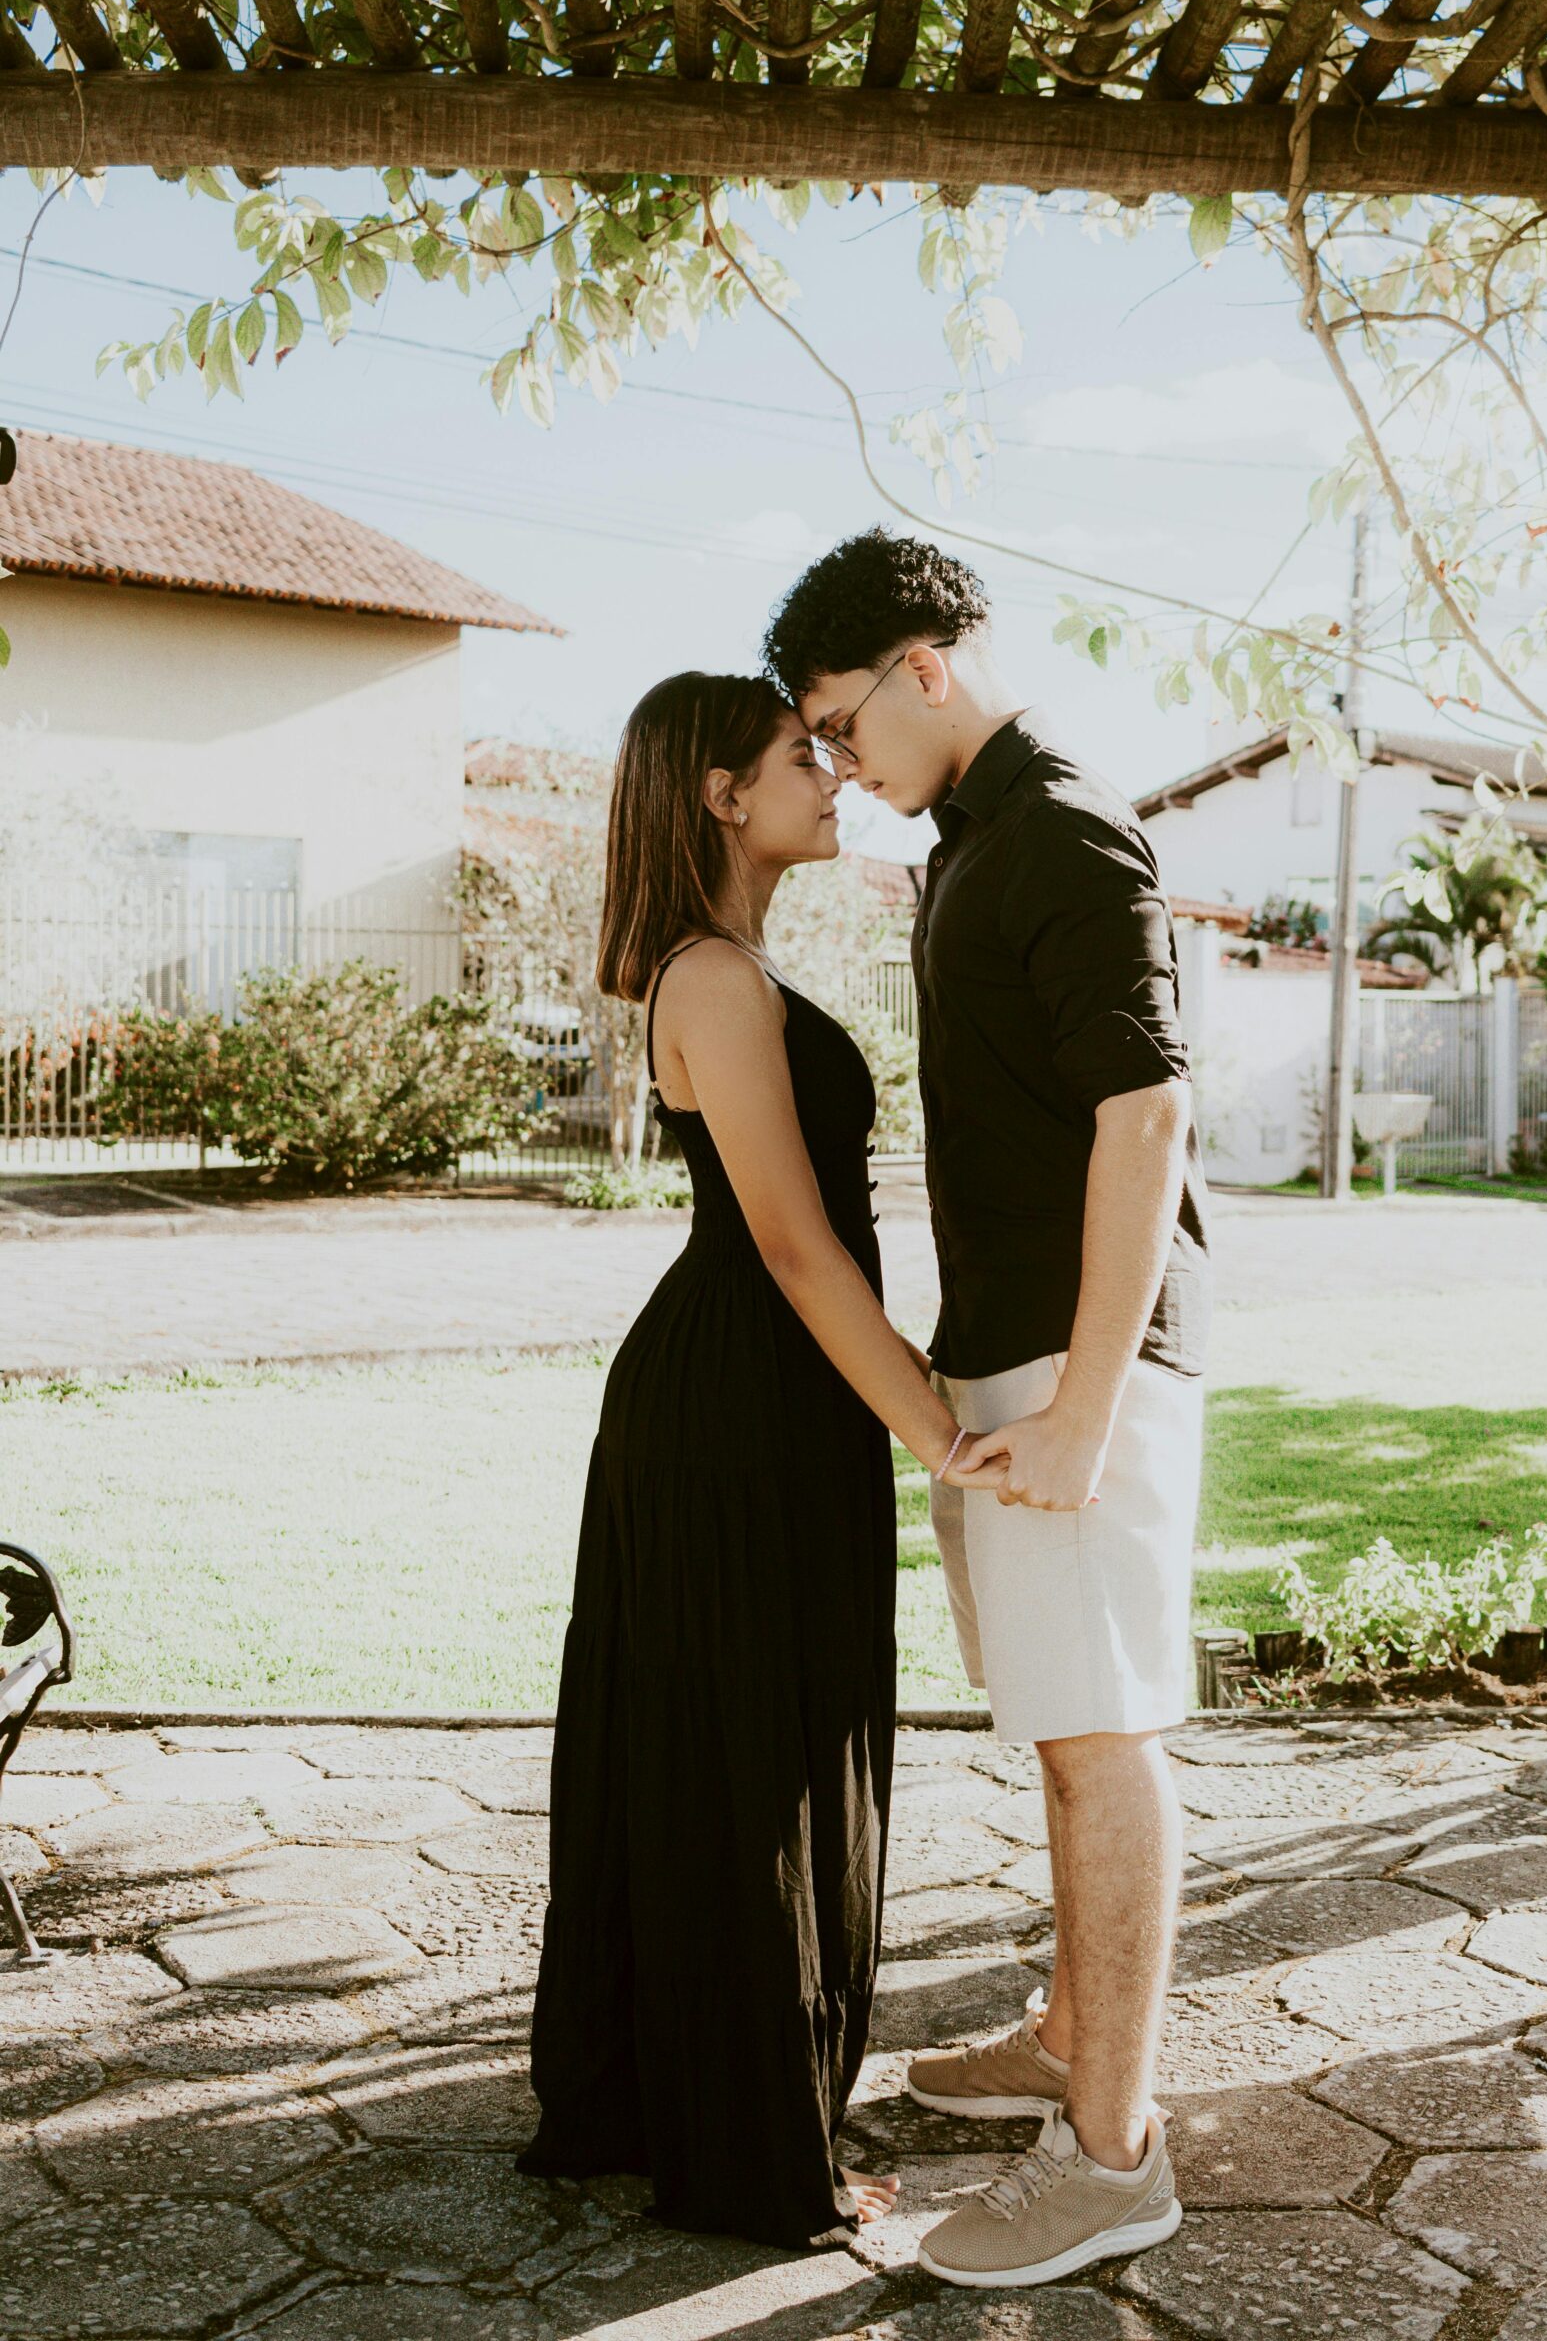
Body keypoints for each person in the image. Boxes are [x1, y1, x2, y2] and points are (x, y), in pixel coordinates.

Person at [763, 530, 1210, 2290]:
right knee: (1056, 1719)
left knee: (1104, 1744)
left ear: (924, 663)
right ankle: (1063, 2035)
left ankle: (1111, 2158)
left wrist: (1089, 1405)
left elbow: (1145, 1119)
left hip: (1083, 1369)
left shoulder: (1073, 830)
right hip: (1008, 1355)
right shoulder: (973, 841)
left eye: (839, 721)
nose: (838, 766)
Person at [518, 669, 1001, 2252]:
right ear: (722, 797)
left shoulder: (734, 964)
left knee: (748, 1740)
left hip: (771, 1394)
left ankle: (709, 2098)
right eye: (803, 754)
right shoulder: (713, 978)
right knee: (748, 1761)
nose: (834, 773)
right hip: (737, 1397)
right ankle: (745, 2145)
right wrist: (936, 1422)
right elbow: (793, 1247)